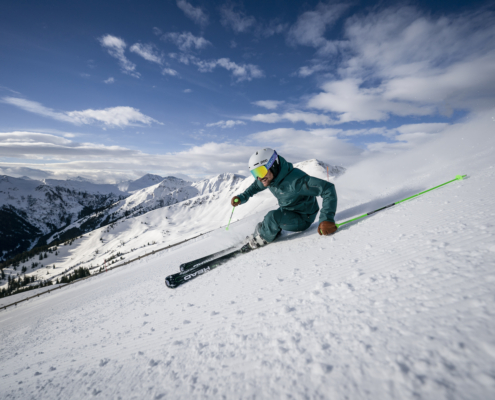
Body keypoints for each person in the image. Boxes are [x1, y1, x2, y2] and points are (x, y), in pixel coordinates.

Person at [231, 148, 338, 250]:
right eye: (255, 173)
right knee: (264, 223)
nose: (259, 178)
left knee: (272, 217)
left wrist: (326, 219)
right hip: (288, 211)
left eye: (261, 171)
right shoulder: (268, 178)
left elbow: (327, 188)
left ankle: (261, 239)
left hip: (304, 217)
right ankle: (259, 235)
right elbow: (255, 186)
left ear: (273, 165)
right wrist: (241, 198)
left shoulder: (295, 181)